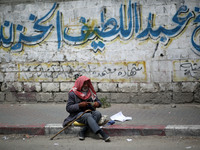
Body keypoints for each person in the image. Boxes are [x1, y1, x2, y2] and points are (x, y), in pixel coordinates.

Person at [63, 76, 110, 142]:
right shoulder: (72, 93)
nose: (86, 85)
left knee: (97, 113)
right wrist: (79, 105)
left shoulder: (90, 92)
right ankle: (101, 133)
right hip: (78, 114)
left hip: (90, 111)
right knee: (88, 116)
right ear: (79, 84)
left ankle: (83, 131)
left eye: (87, 83)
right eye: (84, 84)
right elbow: (68, 108)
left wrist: (98, 104)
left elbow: (99, 102)